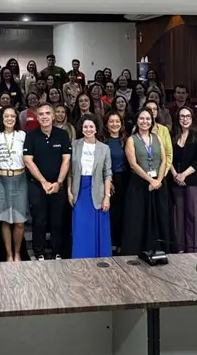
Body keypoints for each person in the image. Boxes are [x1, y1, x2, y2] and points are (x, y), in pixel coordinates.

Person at [24, 103, 72, 260]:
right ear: (37, 118)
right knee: (39, 220)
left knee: (57, 220)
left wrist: (58, 182)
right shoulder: (31, 136)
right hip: (37, 185)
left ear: (53, 116)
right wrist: (43, 182)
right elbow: (28, 160)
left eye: (47, 113)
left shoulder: (62, 135)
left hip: (58, 185)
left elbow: (66, 160)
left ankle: (58, 251)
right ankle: (39, 252)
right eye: (41, 114)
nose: (44, 116)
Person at [122, 108, 170, 255]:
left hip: (158, 183)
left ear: (152, 121)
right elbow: (133, 164)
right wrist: (150, 180)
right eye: (142, 118)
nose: (145, 121)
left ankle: (160, 250)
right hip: (140, 184)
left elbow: (164, 160)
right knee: (139, 219)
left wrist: (158, 180)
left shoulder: (157, 138)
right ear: (137, 121)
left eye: (148, 119)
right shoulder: (131, 140)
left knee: (160, 217)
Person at [68, 115, 112, 259]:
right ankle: (80, 259)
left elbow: (107, 174)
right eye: (85, 127)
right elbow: (70, 172)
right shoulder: (74, 145)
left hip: (98, 191)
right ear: (81, 128)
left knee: (97, 228)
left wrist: (107, 197)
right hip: (79, 191)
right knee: (80, 227)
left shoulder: (104, 148)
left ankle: (99, 259)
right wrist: (69, 191)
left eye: (91, 126)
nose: (88, 129)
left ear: (96, 129)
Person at [0, 107, 29, 261]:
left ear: (16, 118)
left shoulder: (22, 135)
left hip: (19, 178)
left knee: (19, 221)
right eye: (6, 116)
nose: (9, 119)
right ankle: (8, 254)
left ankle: (17, 253)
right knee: (5, 220)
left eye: (12, 116)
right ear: (1, 118)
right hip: (2, 180)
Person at [169, 106, 197, 253]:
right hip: (175, 181)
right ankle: (178, 248)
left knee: (194, 216)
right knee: (177, 216)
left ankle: (194, 249)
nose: (185, 119)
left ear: (192, 119)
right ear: (178, 119)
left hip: (193, 181)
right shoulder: (172, 136)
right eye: (182, 116)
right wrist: (175, 174)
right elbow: (167, 157)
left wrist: (183, 174)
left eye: (188, 116)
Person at [105, 111, 130, 252]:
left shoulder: (127, 139)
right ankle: (111, 243)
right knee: (112, 212)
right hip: (110, 179)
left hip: (126, 179)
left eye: (117, 121)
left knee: (124, 212)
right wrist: (108, 180)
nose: (114, 124)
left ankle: (122, 243)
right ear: (107, 124)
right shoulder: (103, 141)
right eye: (111, 121)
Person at [144, 100, 174, 181]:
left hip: (161, 173)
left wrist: (163, 173)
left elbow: (169, 153)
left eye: (155, 109)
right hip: (142, 174)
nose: (152, 111)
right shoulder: (136, 129)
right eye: (149, 109)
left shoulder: (164, 130)